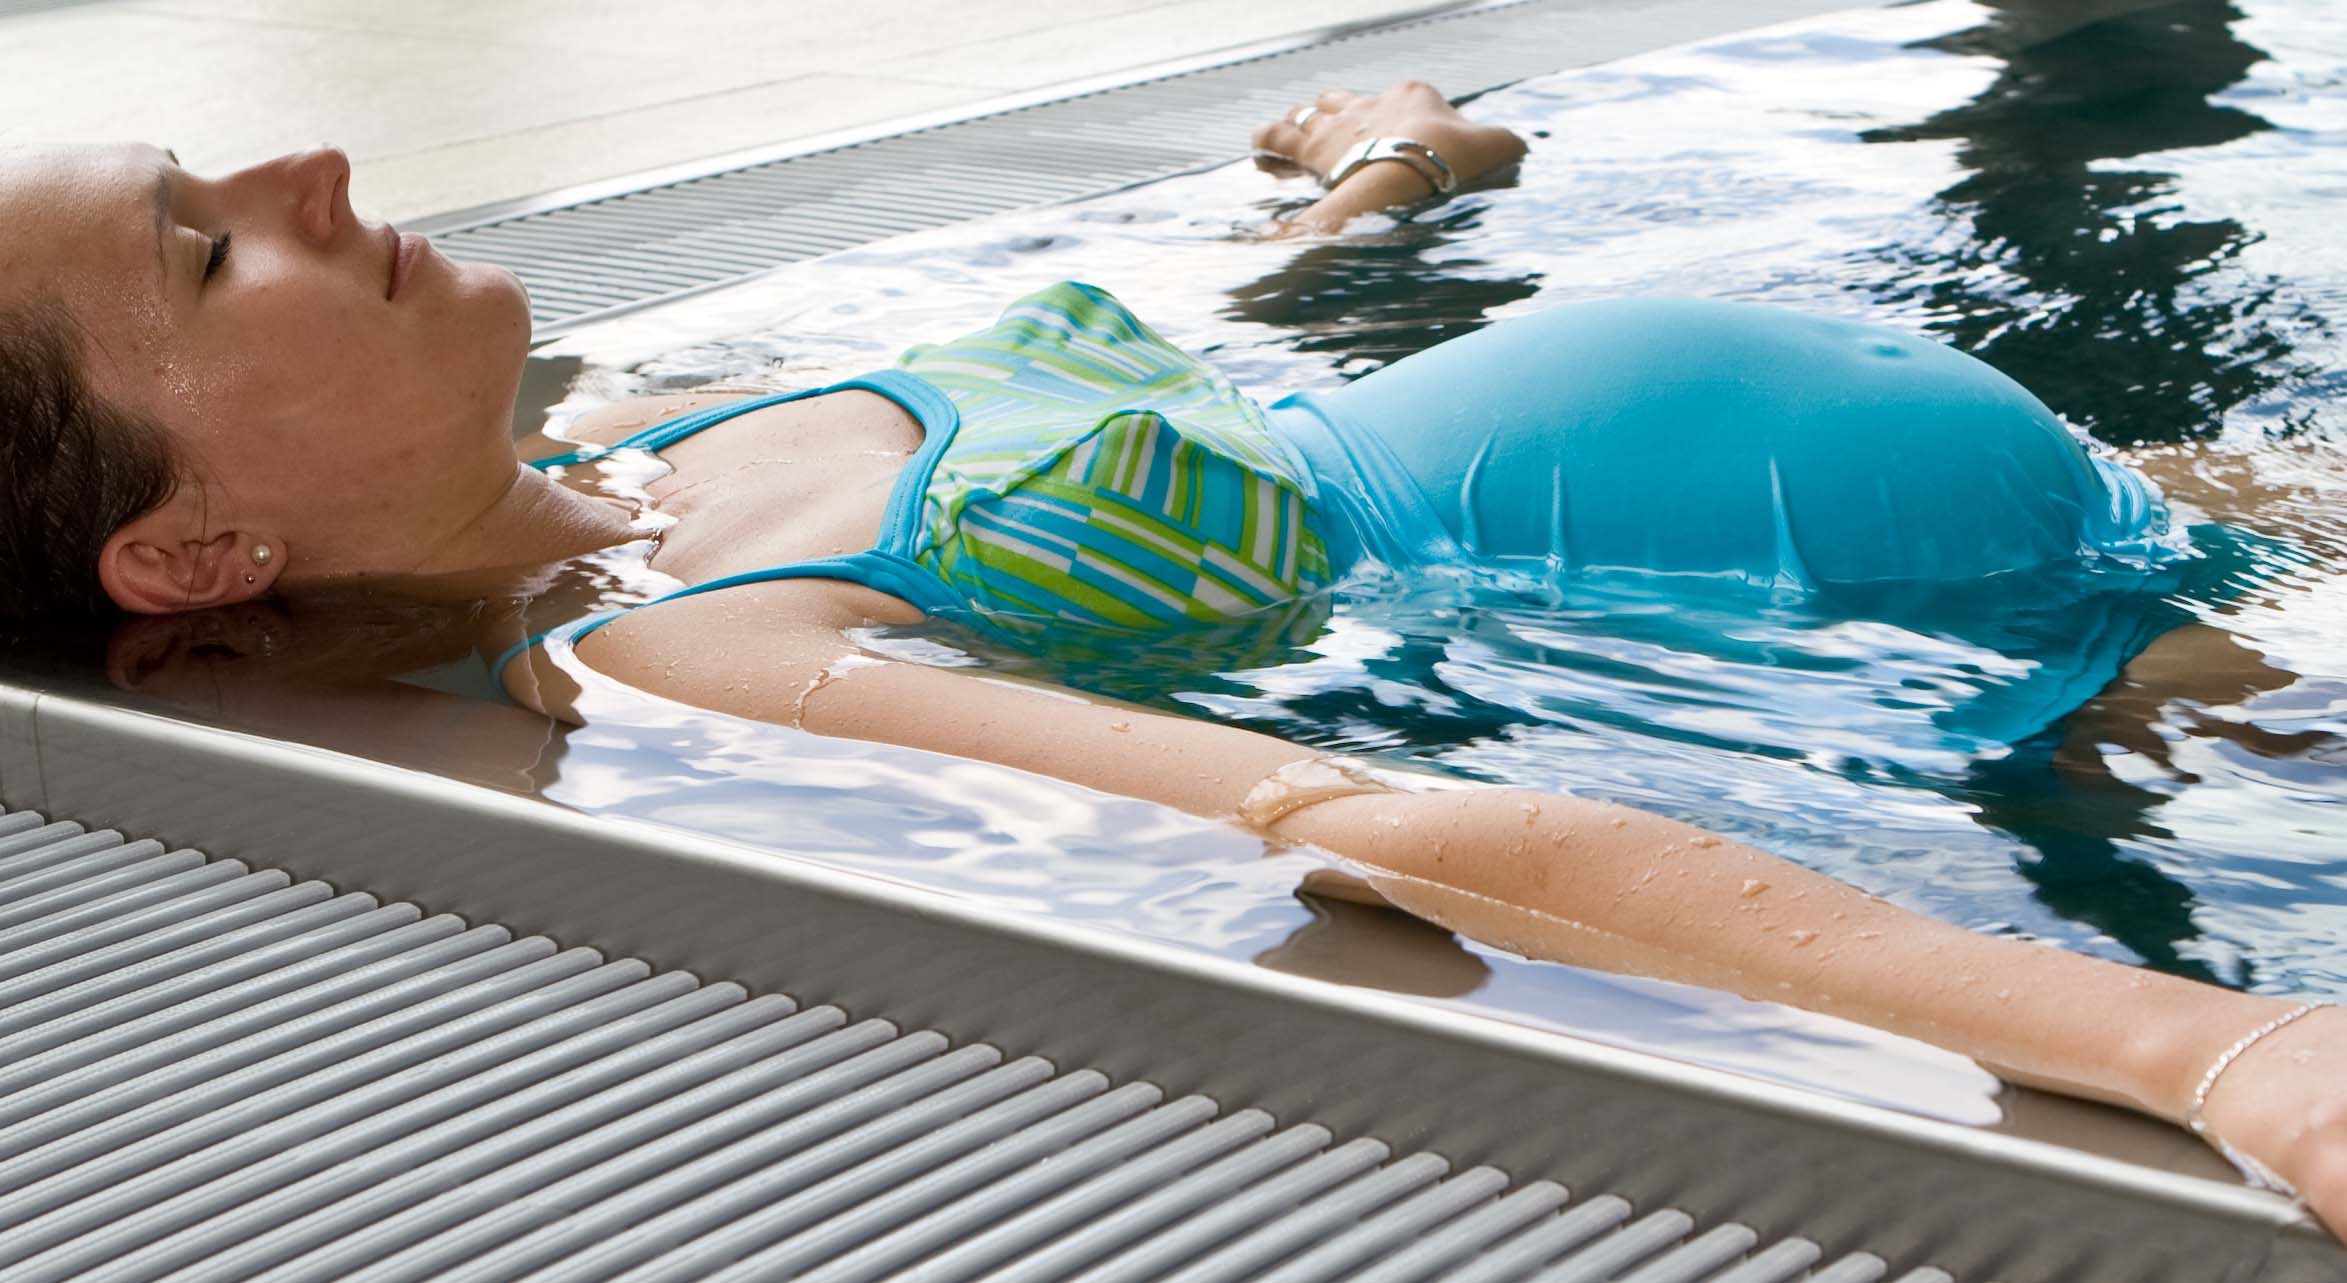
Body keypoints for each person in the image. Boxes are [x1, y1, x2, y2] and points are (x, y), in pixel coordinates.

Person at [2, 81, 2342, 1234]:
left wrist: (1379, 182)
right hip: (2063, 639)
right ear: (194, 553)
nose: (309, 170)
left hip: (2114, 481)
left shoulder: (639, 434)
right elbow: (1376, 825)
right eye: (208, 258)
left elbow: (1158, 383)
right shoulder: (704, 655)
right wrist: (2207, 1046)